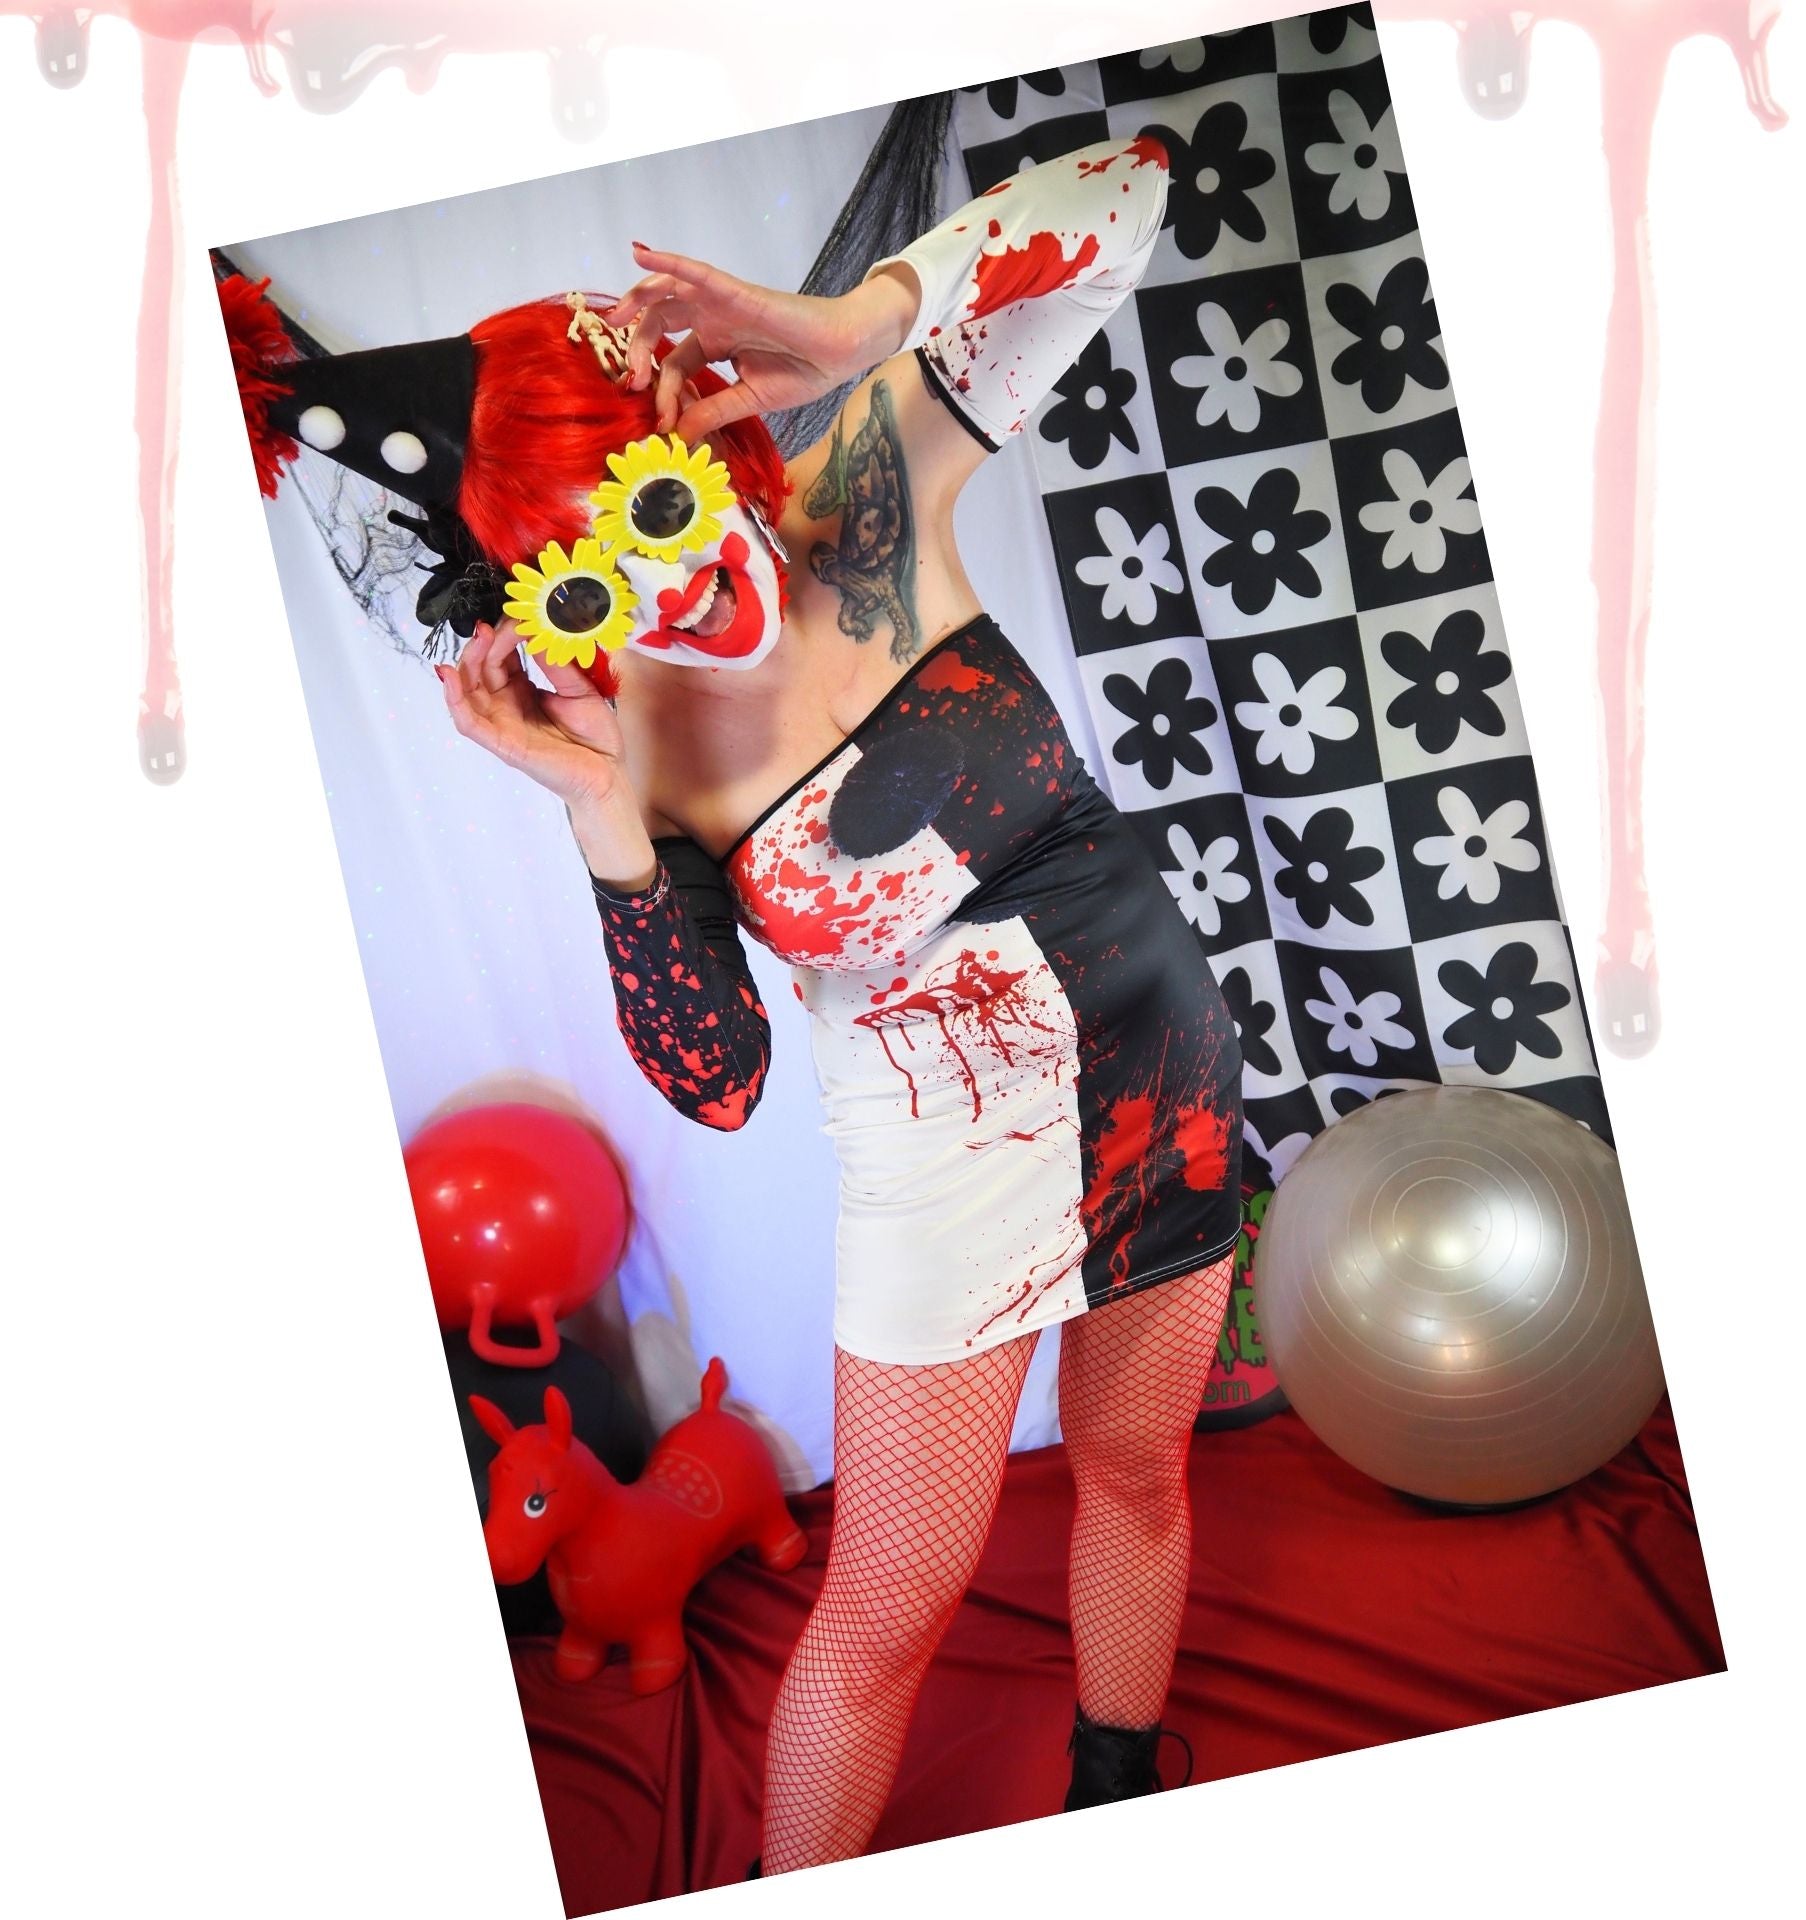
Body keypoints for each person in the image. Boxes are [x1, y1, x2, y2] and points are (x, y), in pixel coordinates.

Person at [222, 127, 1243, 1874]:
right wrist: (600, 816)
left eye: (663, 513)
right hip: (942, 1160)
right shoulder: (636, 747)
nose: (675, 593)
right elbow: (716, 1078)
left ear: (694, 436)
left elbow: (1131, 185)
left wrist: (862, 322)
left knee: (1141, 1469)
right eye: (599, 582)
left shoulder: (860, 481)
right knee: (886, 1607)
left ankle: (1118, 1786)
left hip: (1160, 1056)